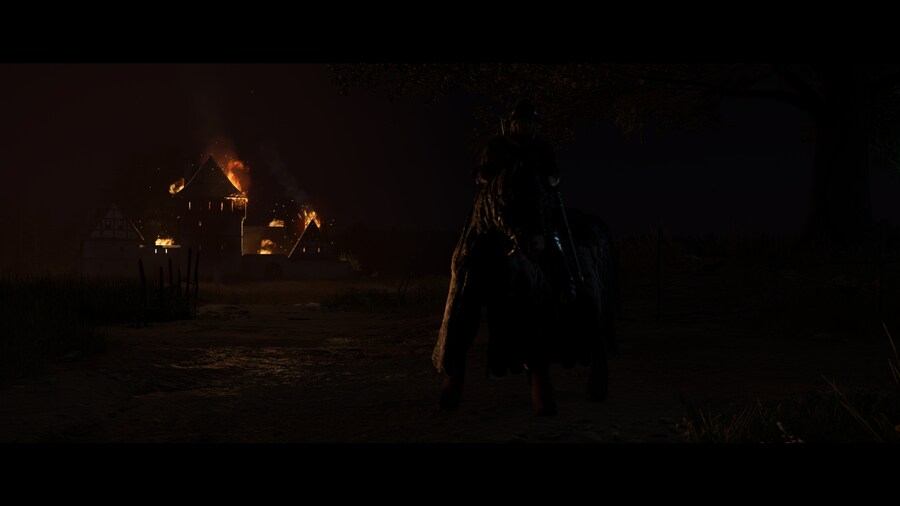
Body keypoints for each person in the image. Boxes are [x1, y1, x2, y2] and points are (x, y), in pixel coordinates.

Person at [433, 99, 578, 415]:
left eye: (529, 122)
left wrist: (545, 182)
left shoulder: (541, 148)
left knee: (555, 247)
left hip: (533, 211)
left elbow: (554, 176)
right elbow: (481, 175)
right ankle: (453, 368)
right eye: (520, 122)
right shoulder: (497, 146)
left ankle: (568, 285)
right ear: (512, 123)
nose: (524, 127)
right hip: (495, 214)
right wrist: (497, 181)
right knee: (466, 265)